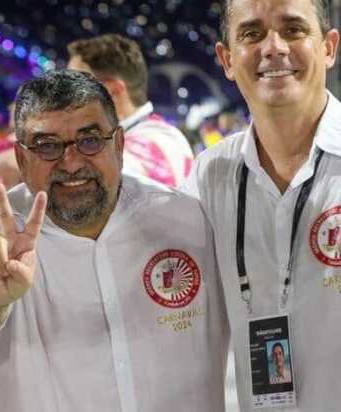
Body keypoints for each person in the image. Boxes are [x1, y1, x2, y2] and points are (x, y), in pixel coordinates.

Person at [0, 70, 229, 411]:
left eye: (90, 141)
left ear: (120, 145)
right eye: (47, 146)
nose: (71, 162)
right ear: (21, 159)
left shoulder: (188, 220)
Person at [183, 0, 341, 410]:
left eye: (293, 29)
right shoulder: (208, 176)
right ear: (227, 58)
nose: (273, 47)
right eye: (252, 34)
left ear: (329, 47)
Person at [67, 33, 193, 187]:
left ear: (113, 91)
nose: (66, 98)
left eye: (74, 87)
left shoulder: (154, 142)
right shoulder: (150, 136)